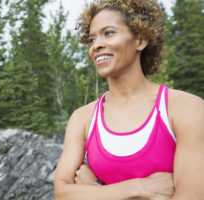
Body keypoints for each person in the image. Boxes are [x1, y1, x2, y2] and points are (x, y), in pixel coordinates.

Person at [54, 0, 204, 199]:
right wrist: (140, 189)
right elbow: (62, 193)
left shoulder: (186, 109)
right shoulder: (83, 118)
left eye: (108, 33)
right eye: (91, 39)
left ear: (140, 40)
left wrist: (94, 190)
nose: (96, 45)